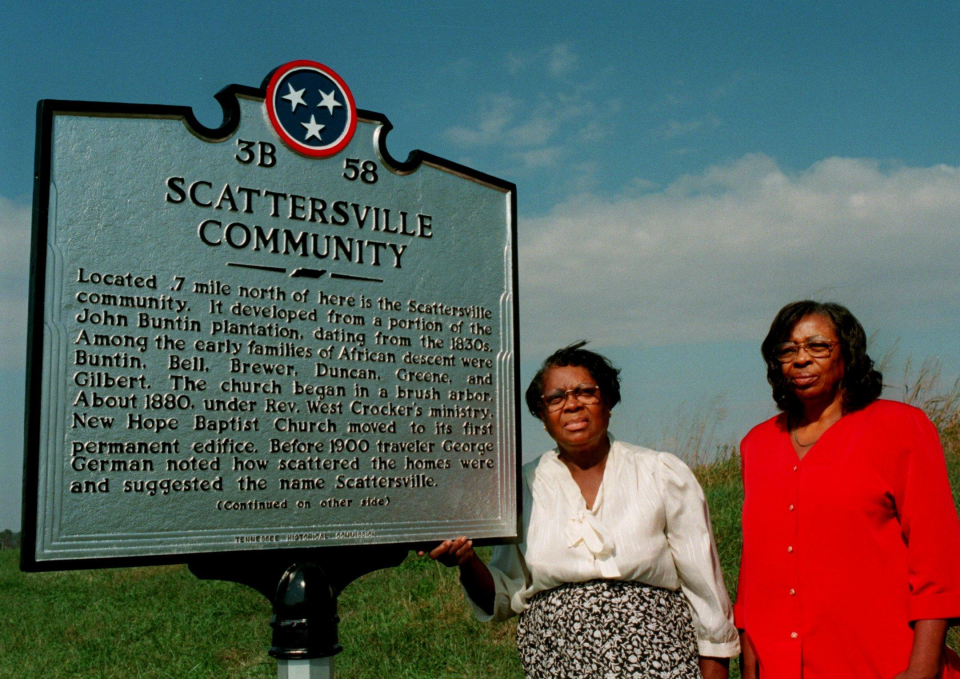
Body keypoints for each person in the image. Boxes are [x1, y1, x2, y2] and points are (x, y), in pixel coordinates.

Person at [424, 341, 739, 678]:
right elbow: (499, 598)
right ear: (542, 417)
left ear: (608, 403)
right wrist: (466, 560)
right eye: (555, 398)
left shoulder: (661, 474)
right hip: (557, 663)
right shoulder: (521, 489)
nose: (572, 404)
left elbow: (706, 593)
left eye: (585, 392)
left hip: (660, 661)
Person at [736, 300, 960, 678]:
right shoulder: (756, 444)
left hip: (884, 660)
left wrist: (921, 668)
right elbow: (756, 563)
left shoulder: (902, 427)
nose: (801, 359)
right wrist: (749, 645)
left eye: (817, 346)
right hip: (783, 663)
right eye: (787, 350)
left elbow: (936, 559)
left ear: (848, 355)